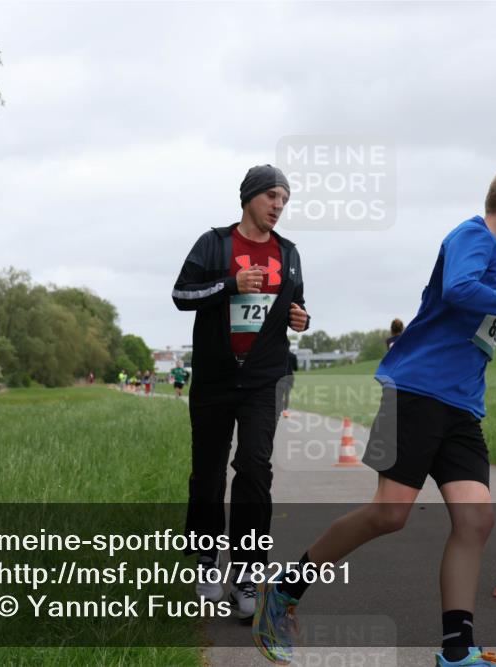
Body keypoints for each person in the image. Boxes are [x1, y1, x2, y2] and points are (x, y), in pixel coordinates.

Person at [252, 160, 496, 666]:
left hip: (460, 408)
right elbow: (458, 290)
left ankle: (456, 650)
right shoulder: (472, 237)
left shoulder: (495, 250)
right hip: (417, 393)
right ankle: (284, 591)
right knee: (389, 514)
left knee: (477, 521)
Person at [172, 164, 310, 622]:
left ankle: (248, 571)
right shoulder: (214, 243)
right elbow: (181, 294)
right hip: (213, 379)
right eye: (272, 196)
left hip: (263, 380)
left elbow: (299, 303)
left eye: (284, 200)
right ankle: (209, 563)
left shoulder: (288, 254)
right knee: (208, 473)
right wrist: (230, 284)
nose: (278, 206)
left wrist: (301, 318)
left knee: (254, 467)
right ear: (250, 197)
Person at [276, 351, 297, 418]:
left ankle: (278, 410)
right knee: (287, 395)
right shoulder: (293, 356)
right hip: (289, 378)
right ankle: (285, 411)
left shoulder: (278, 355)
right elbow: (295, 368)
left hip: (280, 377)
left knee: (279, 395)